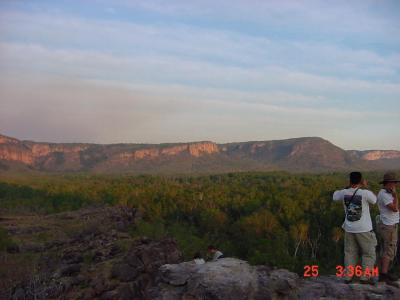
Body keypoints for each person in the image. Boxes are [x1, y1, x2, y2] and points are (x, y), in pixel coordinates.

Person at [333, 171, 377, 284]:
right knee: (368, 253)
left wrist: (346, 187)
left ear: (349, 180)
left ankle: (348, 277)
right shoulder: (365, 193)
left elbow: (334, 196)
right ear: (361, 181)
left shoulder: (343, 193)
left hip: (349, 228)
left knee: (350, 253)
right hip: (364, 229)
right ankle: (365, 277)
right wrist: (366, 186)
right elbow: (374, 200)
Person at [376, 172, 399, 283]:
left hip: (389, 225)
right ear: (389, 183)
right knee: (389, 251)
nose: (395, 185)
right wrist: (395, 196)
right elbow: (394, 208)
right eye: (394, 183)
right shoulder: (385, 195)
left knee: (387, 250)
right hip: (388, 226)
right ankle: (384, 275)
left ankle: (384, 273)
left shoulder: (386, 193)